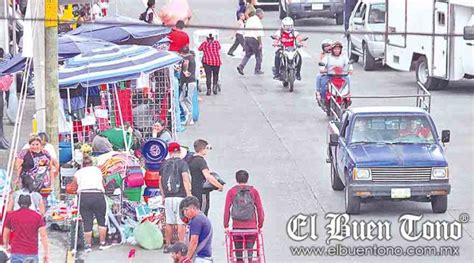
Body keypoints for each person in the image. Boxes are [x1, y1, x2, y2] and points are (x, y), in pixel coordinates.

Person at [69, 156, 110, 252]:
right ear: (92, 163)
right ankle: (102, 243)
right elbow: (103, 184)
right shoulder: (97, 171)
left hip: (84, 196)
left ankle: (88, 246)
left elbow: (73, 187)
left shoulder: (78, 173)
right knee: (101, 219)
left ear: (81, 164)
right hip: (98, 195)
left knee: (87, 221)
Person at [224, 170, 264, 263]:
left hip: (237, 227)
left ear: (236, 179)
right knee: (250, 251)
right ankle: (249, 260)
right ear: (247, 178)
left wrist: (226, 225)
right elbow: (260, 209)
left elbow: (227, 210)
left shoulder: (231, 192)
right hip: (251, 227)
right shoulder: (254, 191)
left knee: (238, 253)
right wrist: (260, 225)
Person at [159, 142, 191, 253]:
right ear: (179, 152)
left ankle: (168, 245)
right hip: (180, 196)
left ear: (169, 152)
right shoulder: (183, 163)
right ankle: (181, 245)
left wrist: (163, 196)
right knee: (181, 222)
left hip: (168, 197)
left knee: (169, 221)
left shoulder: (164, 164)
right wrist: (189, 195)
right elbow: (185, 179)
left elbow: (160, 181)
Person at [3, 195, 49, 263]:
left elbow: (5, 234)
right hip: (31, 252)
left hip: (16, 251)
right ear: (30, 204)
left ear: (18, 203)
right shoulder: (37, 216)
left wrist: (6, 246)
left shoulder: (11, 216)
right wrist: (46, 253)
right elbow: (43, 235)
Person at [188, 139, 223, 216]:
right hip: (202, 192)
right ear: (203, 149)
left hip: (193, 191)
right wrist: (219, 186)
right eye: (207, 148)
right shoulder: (201, 161)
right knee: (202, 214)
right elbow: (208, 176)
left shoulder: (190, 159)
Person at [181, 196, 213, 262]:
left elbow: (194, 241)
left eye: (186, 210)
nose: (184, 213)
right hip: (205, 257)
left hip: (200, 257)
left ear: (193, 208)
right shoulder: (202, 217)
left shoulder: (197, 220)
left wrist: (187, 258)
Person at [237, 8, 264, 76]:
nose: (263, 16)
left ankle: (241, 66)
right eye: (262, 14)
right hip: (254, 39)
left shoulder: (249, 19)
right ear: (259, 14)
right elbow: (258, 33)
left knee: (248, 54)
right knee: (259, 55)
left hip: (246, 38)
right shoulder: (257, 21)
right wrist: (260, 43)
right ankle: (257, 69)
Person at [179, 47, 197, 125]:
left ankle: (190, 118)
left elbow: (185, 65)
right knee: (181, 100)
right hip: (190, 82)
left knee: (187, 100)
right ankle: (188, 116)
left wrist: (184, 71)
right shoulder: (192, 57)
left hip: (188, 83)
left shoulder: (187, 59)